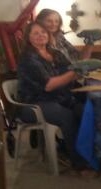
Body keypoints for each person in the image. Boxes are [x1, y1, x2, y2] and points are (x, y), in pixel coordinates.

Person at [16, 22, 93, 176]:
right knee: (67, 117)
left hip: (58, 98)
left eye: (43, 32)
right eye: (35, 33)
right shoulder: (28, 58)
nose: (40, 35)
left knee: (85, 110)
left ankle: (83, 152)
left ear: (48, 35)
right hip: (33, 104)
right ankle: (79, 165)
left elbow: (72, 70)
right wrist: (75, 72)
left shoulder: (55, 53)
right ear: (28, 38)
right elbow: (49, 85)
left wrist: (82, 68)